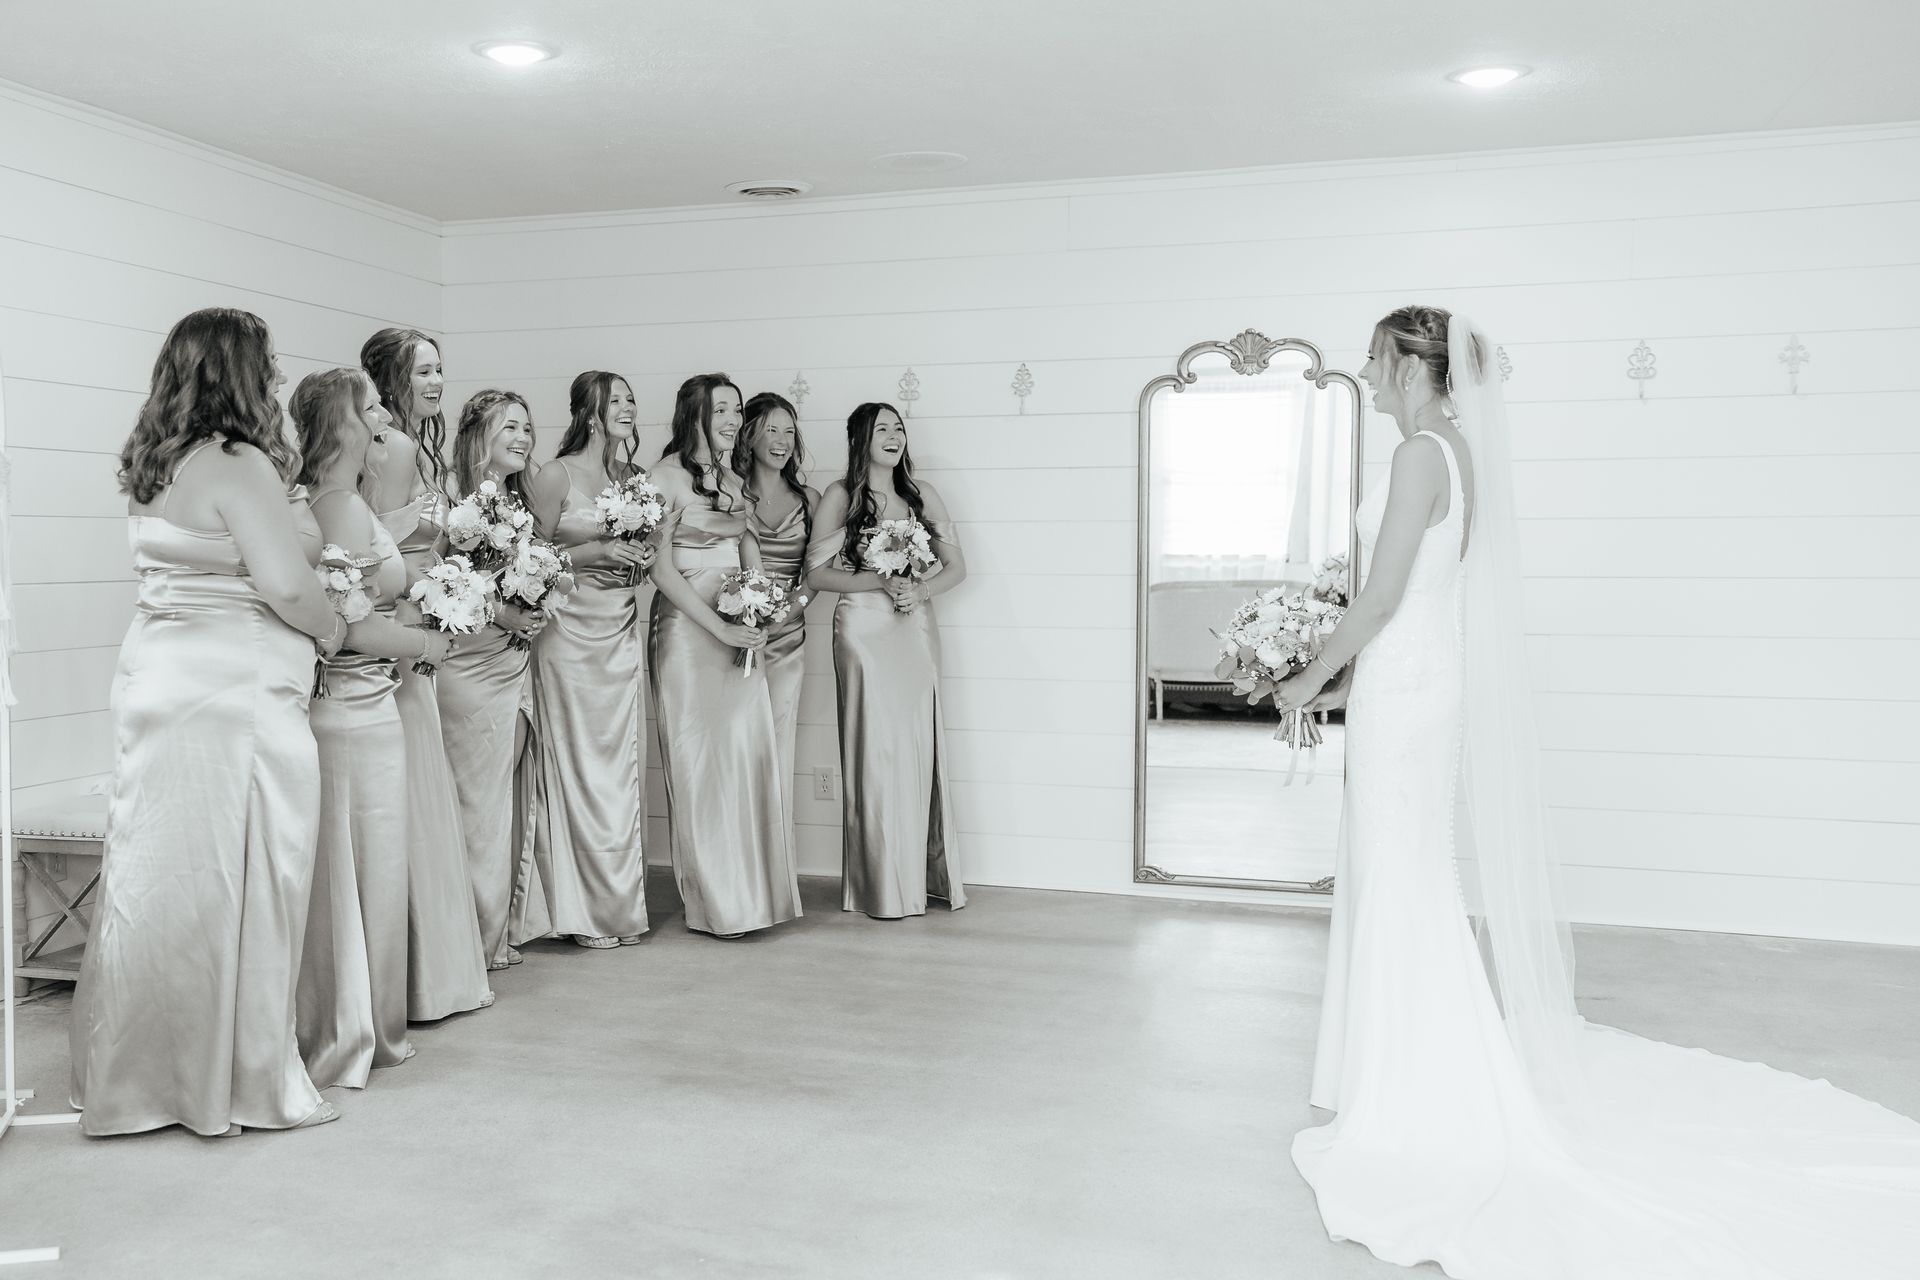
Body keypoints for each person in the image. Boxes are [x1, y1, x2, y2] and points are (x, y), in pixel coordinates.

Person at [1276, 305, 1920, 1279]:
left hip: (1404, 690)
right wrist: (1336, 670)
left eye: (1374, 359)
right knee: (1409, 878)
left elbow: (1380, 595)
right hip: (1417, 680)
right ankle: (1406, 1074)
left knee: (1402, 879)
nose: (1365, 375)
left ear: (1412, 364)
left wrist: (1303, 677)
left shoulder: (1417, 458)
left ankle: (1418, 1097)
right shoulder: (1454, 450)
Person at [70, 308, 341, 1135]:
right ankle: (239, 1075)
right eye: (269, 364)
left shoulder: (154, 462)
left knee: (160, 877)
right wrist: (333, 628)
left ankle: (138, 1074)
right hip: (235, 694)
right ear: (238, 374)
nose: (277, 380)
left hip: (157, 678)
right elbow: (286, 586)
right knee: (254, 872)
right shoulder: (239, 462)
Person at [360, 328, 495, 1010]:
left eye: (441, 368)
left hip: (426, 621)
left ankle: (422, 970)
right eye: (424, 371)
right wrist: (435, 592)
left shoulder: (416, 445)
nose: (438, 381)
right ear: (391, 379)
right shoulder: (394, 448)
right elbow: (374, 554)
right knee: (409, 787)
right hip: (405, 631)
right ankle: (414, 977)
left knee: (421, 784)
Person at [648, 373, 798, 938]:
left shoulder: (734, 478)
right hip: (689, 635)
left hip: (740, 629)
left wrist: (758, 605)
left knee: (742, 758)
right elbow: (661, 570)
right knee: (699, 766)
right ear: (695, 415)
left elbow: (745, 542)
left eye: (737, 410)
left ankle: (753, 897)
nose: (733, 420)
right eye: (722, 411)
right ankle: (716, 905)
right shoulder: (661, 478)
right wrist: (720, 628)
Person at [805, 403, 966, 919]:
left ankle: (921, 879)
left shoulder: (922, 496)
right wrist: (877, 579)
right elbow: (817, 575)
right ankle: (878, 885)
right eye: (882, 429)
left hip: (913, 629)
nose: (894, 436)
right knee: (874, 750)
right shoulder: (840, 496)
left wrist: (920, 591)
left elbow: (958, 567)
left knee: (916, 747)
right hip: (862, 631)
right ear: (860, 439)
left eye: (899, 428)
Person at [523, 371, 654, 948]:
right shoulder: (556, 474)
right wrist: (597, 549)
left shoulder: (634, 478)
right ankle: (581, 911)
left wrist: (637, 559)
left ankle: (617, 906)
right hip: (568, 633)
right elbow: (528, 557)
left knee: (620, 765)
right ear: (589, 412)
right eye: (615, 399)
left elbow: (646, 552)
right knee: (578, 762)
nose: (626, 407)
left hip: (619, 626)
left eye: (630, 398)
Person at [733, 391, 818, 877]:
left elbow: (818, 574)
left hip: (789, 638)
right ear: (749, 434)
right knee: (741, 746)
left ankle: (775, 873)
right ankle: (740, 869)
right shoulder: (730, 491)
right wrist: (752, 617)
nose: (781, 440)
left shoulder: (810, 499)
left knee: (778, 745)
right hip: (741, 635)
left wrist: (790, 610)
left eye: (789, 431)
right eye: (771, 429)